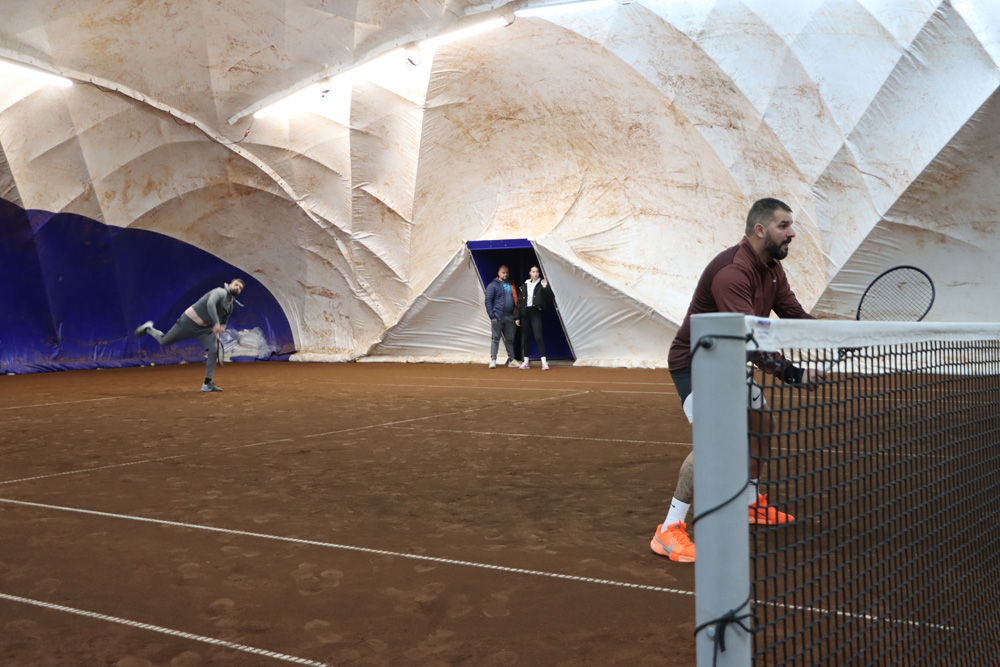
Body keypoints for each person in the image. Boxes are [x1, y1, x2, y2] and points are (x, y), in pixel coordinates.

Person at [651, 198, 821, 563]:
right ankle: (668, 528)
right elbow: (749, 338)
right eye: (783, 225)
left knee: (761, 424)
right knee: (714, 443)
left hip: (728, 361)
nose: (792, 233)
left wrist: (840, 336)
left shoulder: (772, 268)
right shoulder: (732, 272)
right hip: (696, 363)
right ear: (760, 230)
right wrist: (792, 373)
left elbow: (792, 313)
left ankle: (748, 503)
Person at [134, 278, 245, 392]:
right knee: (164, 341)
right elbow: (210, 304)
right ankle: (148, 329)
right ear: (230, 284)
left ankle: (207, 383)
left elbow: (224, 321)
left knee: (213, 350)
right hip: (187, 323)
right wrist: (216, 322)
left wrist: (222, 327)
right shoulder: (219, 292)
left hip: (203, 330)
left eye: (240, 288)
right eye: (236, 285)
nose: (238, 288)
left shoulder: (230, 305)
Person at [516, 266, 553, 370]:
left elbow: (550, 297)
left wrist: (545, 287)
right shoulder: (524, 286)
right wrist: (517, 317)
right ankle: (526, 361)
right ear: (530, 273)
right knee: (525, 338)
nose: (535, 273)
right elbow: (519, 303)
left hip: (535, 312)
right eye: (533, 272)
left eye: (537, 272)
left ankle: (544, 362)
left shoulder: (541, 284)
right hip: (525, 313)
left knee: (538, 337)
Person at [484, 265, 519, 368]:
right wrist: (492, 316)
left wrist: (515, 315)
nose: (505, 274)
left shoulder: (511, 284)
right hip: (498, 317)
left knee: (510, 339)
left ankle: (512, 360)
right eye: (503, 272)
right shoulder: (493, 285)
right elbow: (488, 301)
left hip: (510, 316)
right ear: (498, 273)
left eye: (507, 273)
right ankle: (493, 360)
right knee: (495, 339)